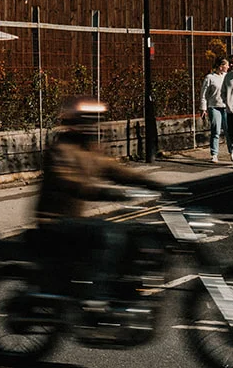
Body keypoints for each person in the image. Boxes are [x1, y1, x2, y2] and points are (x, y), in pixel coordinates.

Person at [35, 97, 167, 308]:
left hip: (74, 221)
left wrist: (153, 184)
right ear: (74, 122)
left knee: (134, 234)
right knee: (110, 234)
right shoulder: (60, 149)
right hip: (54, 221)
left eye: (93, 121)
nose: (91, 126)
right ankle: (96, 294)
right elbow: (72, 183)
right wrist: (107, 192)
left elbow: (115, 171)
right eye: (85, 120)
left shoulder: (89, 149)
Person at [200, 55, 230, 162]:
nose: (228, 67)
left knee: (228, 131)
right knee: (216, 131)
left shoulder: (228, 77)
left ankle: (232, 152)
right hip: (214, 107)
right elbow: (204, 94)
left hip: (227, 107)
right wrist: (203, 108)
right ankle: (214, 154)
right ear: (220, 66)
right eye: (226, 65)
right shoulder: (210, 77)